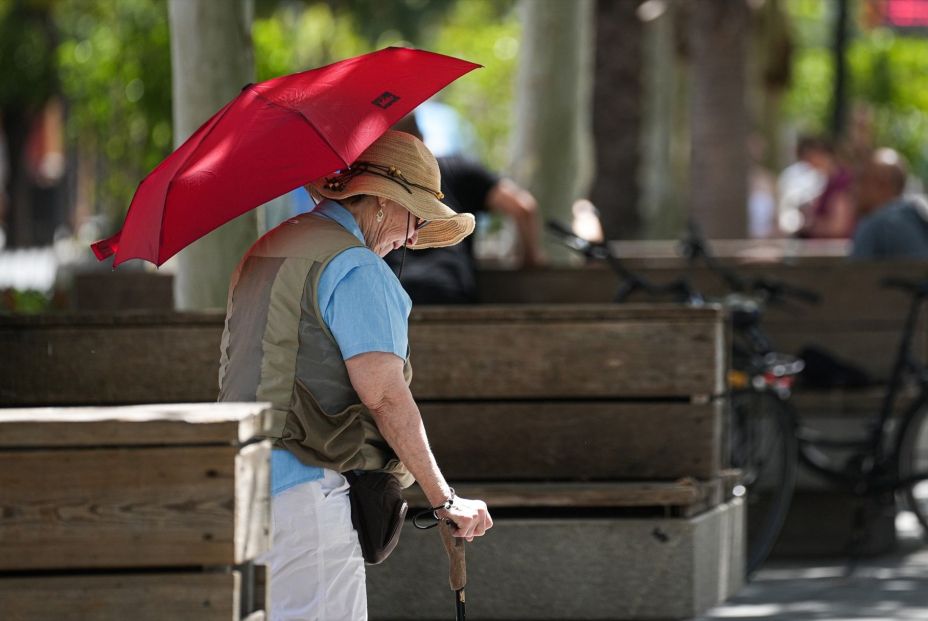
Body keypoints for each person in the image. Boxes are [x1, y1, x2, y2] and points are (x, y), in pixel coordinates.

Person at [218, 131, 493, 619]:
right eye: (414, 216)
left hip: (239, 478)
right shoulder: (356, 266)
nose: (412, 237)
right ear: (385, 202)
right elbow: (385, 396)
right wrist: (444, 498)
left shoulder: (268, 248)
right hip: (306, 492)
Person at [385, 116, 544, 304]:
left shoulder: (377, 184)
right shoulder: (458, 168)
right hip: (450, 290)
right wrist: (530, 259)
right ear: (422, 138)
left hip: (394, 294)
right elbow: (523, 207)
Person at [851, 148, 928, 259]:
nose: (855, 188)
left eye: (862, 179)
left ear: (883, 185)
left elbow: (853, 274)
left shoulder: (874, 225)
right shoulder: (918, 215)